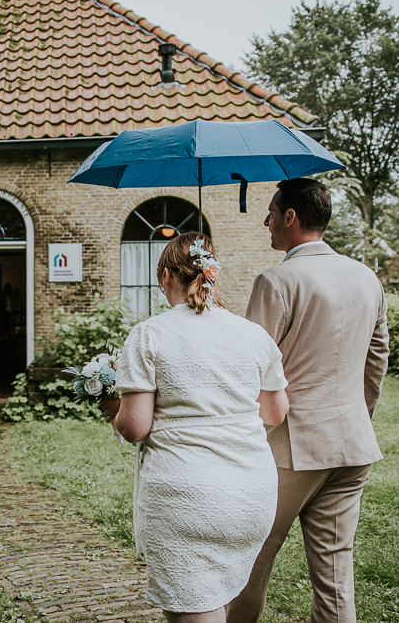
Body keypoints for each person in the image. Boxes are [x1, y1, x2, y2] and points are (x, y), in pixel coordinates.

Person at [101, 233, 290, 623]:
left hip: (187, 499)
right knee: (227, 595)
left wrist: (113, 409)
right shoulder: (254, 335)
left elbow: (135, 426)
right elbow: (274, 413)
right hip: (251, 496)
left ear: (167, 276)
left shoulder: (150, 333)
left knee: (196, 606)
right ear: (210, 275)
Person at [227, 178, 389, 623]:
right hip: (353, 445)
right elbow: (377, 361)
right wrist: (357, 414)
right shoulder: (367, 277)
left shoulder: (276, 280)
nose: (266, 223)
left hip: (289, 451)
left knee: (248, 561)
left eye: (271, 214)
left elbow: (249, 368)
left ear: (290, 217)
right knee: (336, 576)